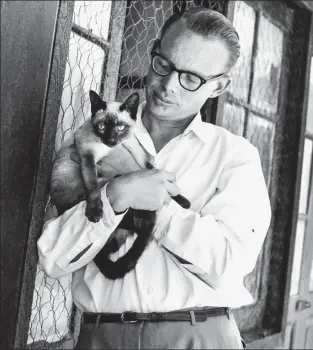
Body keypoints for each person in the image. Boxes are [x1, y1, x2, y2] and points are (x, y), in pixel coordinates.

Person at [38, 6, 271, 349]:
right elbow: (53, 257)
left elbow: (227, 264)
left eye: (191, 78)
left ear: (220, 85)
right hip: (103, 337)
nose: (167, 86)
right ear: (154, 52)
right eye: (163, 64)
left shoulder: (234, 157)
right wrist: (116, 194)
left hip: (199, 336)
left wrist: (151, 200)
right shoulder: (95, 136)